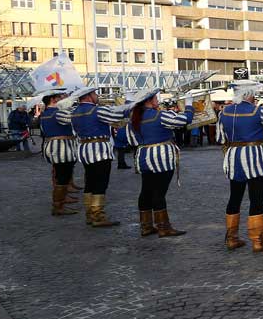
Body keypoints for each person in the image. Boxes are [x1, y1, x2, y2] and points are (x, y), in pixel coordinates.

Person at [217, 81, 263, 252]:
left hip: (234, 157)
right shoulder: (257, 111)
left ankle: (232, 238)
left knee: (235, 197)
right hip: (255, 157)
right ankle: (258, 241)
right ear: (249, 94)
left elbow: (220, 138)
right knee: (256, 198)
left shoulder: (224, 111)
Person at [124, 89, 193, 236]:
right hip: (161, 157)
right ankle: (163, 227)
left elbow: (131, 140)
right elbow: (184, 120)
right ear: (149, 101)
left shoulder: (134, 117)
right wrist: (189, 105)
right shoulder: (159, 115)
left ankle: (146, 226)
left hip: (143, 156)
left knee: (146, 191)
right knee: (159, 192)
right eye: (156, 98)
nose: (158, 100)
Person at [57, 85, 125, 227]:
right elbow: (118, 116)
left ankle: (89, 214)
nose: (97, 96)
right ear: (88, 96)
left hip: (84, 149)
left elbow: (61, 117)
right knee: (100, 183)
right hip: (100, 150)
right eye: (95, 94)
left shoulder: (75, 112)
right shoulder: (97, 110)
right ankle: (98, 216)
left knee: (90, 182)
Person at [38, 86, 80, 216]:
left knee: (61, 176)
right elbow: (75, 119)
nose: (64, 99)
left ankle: (59, 203)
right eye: (60, 97)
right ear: (53, 99)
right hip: (62, 148)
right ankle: (58, 206)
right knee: (63, 177)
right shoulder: (57, 112)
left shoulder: (45, 113)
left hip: (54, 147)